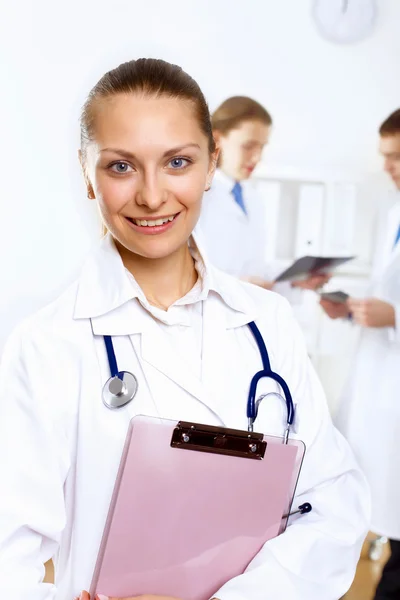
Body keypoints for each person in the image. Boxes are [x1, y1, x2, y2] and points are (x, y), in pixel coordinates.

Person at [0, 58, 369, 600]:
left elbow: (332, 507)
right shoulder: (47, 345)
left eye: (177, 162)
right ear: (85, 172)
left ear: (211, 164)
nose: (152, 196)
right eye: (121, 167)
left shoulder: (266, 323)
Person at [320, 108, 400, 600]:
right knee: (375, 497)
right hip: (380, 377)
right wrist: (353, 310)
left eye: (397, 157)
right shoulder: (393, 209)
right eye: (386, 157)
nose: (389, 167)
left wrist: (394, 317)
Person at [197, 96, 329, 294]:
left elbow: (254, 269)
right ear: (218, 139)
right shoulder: (196, 194)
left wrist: (295, 279)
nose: (257, 157)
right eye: (248, 146)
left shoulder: (252, 197)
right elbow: (181, 275)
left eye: (261, 147)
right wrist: (237, 285)